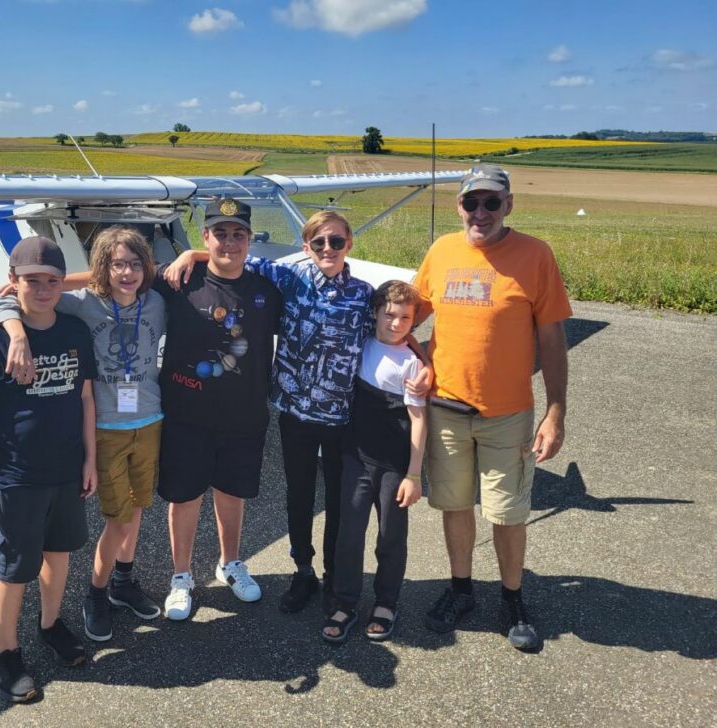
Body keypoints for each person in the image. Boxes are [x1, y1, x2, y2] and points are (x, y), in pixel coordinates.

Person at [166, 211, 386, 615]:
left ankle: (335, 577)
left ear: (349, 244)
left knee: (336, 502)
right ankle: (302, 571)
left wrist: (421, 358)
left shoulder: (364, 294)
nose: (327, 249)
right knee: (297, 497)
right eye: (318, 242)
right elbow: (229, 257)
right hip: (295, 412)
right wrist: (191, 256)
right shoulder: (289, 278)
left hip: (340, 416)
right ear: (305, 248)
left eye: (336, 242)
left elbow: (395, 327)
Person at [412, 164, 571, 651]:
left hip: (508, 413)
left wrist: (556, 411)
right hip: (445, 410)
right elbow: (403, 315)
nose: (480, 212)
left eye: (491, 202)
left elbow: (552, 338)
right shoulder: (441, 251)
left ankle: (511, 597)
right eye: (471, 203)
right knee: (454, 505)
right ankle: (461, 590)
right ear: (459, 206)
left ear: (509, 205)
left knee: (508, 513)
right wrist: (415, 357)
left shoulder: (535, 255)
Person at [0, 226, 166, 644]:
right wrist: (16, 333)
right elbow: (6, 298)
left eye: (134, 264)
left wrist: (192, 256)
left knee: (137, 508)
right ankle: (97, 593)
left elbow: (200, 265)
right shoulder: (83, 305)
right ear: (101, 270)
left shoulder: (157, 302)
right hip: (106, 427)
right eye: (116, 265)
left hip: (149, 421)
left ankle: (123, 581)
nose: (126, 273)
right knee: (118, 517)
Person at [0, 235, 97, 702]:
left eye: (52, 281)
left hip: (65, 470)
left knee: (59, 553)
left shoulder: (75, 331)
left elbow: (84, 397)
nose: (42, 290)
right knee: (15, 565)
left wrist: (91, 459)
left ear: (63, 283)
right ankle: (4, 650)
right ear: (12, 283)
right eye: (31, 281)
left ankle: (51, 623)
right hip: (17, 476)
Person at [155, 197, 282, 620]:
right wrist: (51, 283)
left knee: (231, 495)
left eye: (238, 234)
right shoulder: (179, 280)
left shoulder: (267, 290)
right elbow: (113, 279)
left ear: (249, 240)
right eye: (220, 233)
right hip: (185, 417)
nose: (230, 242)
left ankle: (230, 563)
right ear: (205, 236)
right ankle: (181, 576)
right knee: (184, 498)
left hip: (243, 418)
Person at [324, 281, 427, 643]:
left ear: (414, 322)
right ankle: (345, 601)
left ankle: (386, 602)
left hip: (394, 467)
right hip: (356, 458)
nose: (396, 324)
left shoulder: (413, 365)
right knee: (348, 535)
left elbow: (418, 420)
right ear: (375, 313)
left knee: (390, 537)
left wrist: (414, 474)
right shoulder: (361, 343)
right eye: (389, 314)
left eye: (405, 318)